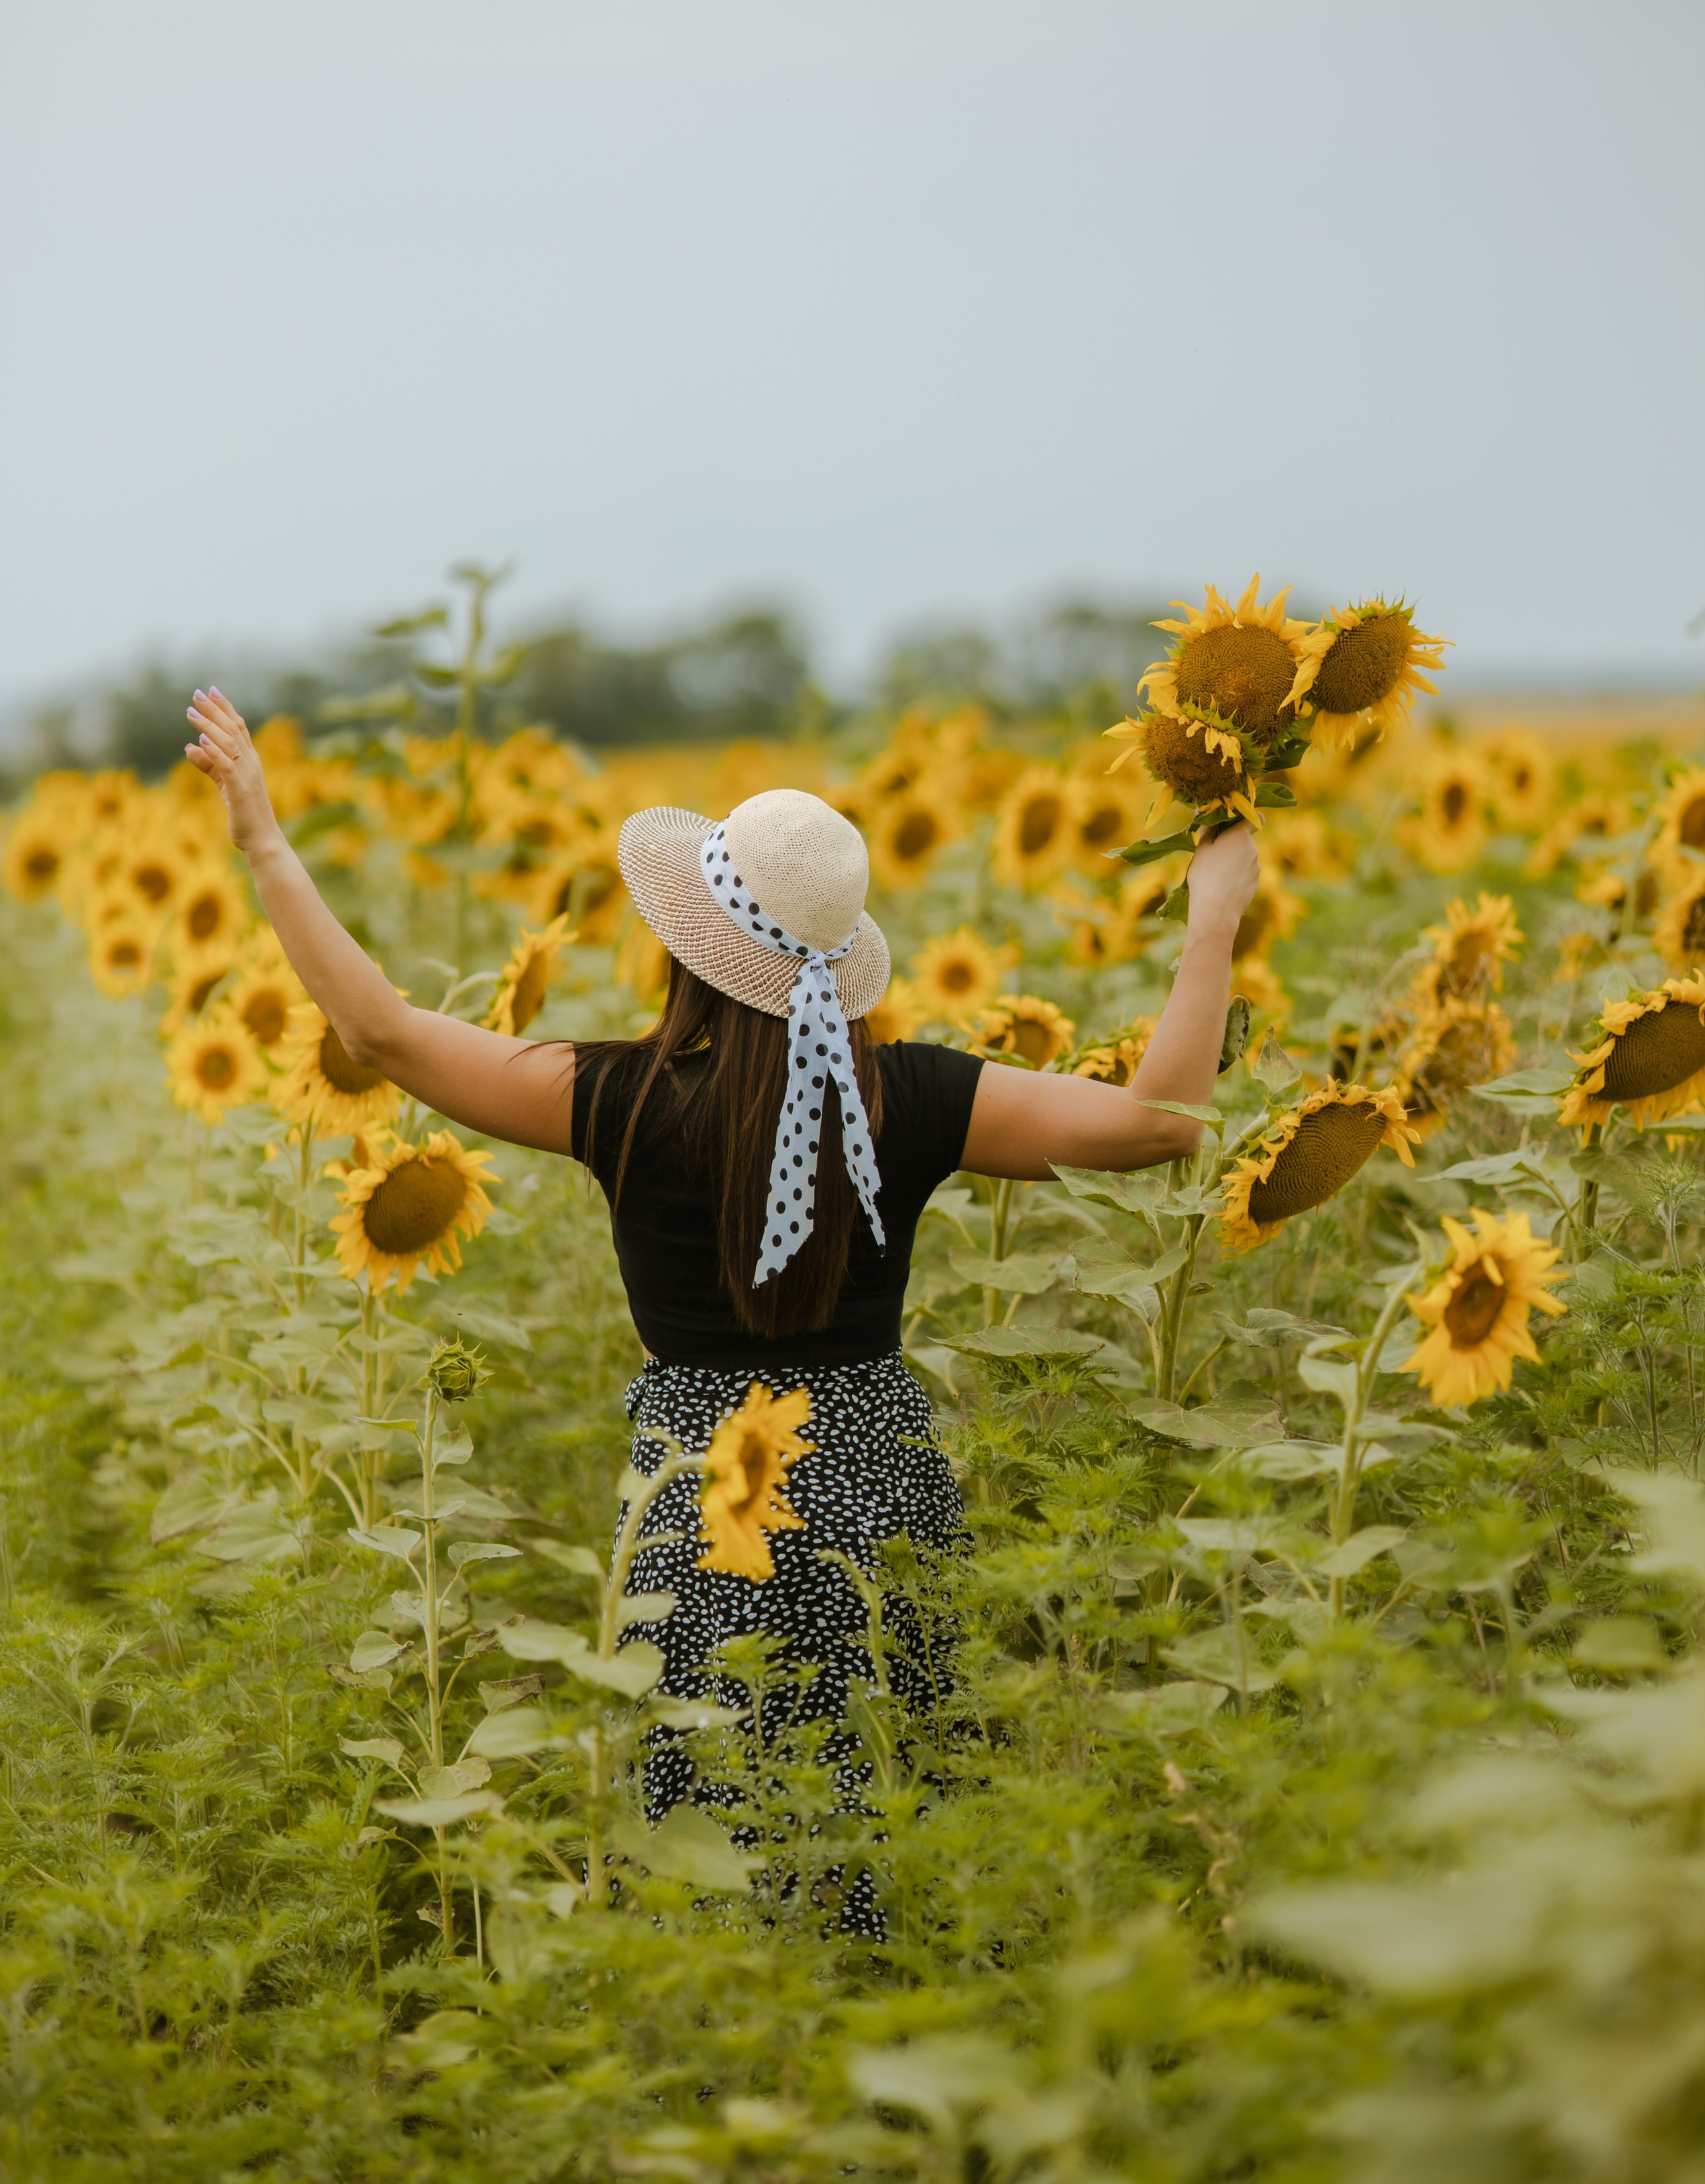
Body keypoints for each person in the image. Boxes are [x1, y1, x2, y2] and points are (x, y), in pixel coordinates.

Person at [184, 688, 1258, 1861]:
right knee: (897, 1819)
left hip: (699, 1491)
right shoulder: (913, 1096)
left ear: (689, 947)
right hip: (880, 1483)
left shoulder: (621, 1098)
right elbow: (1160, 1124)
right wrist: (1212, 922)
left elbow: (382, 1033)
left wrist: (264, 840)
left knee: (717, 1838)